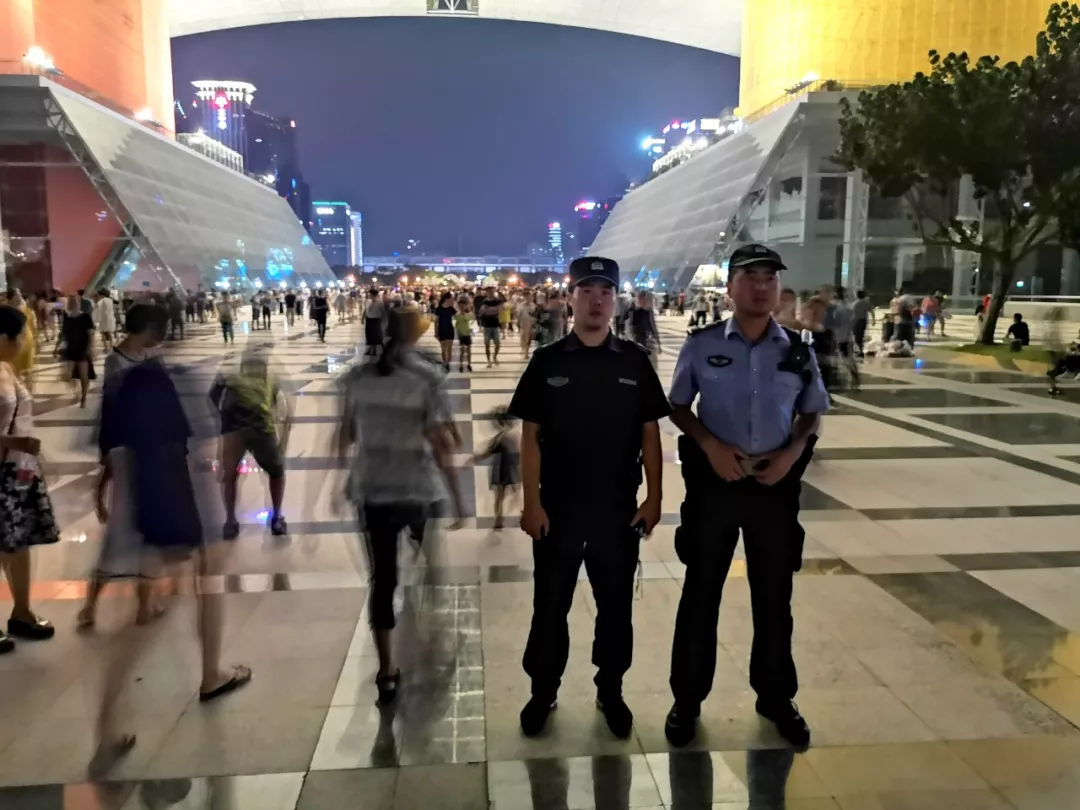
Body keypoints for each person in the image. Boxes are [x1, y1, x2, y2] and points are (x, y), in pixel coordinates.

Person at [664, 243, 829, 750]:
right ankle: (687, 699)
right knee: (701, 593)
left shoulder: (796, 350)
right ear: (731, 287)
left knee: (774, 596)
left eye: (769, 278)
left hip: (773, 489)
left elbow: (811, 411)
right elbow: (678, 406)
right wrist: (710, 446)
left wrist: (791, 453)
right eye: (750, 276)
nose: (761, 286)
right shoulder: (702, 345)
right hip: (715, 486)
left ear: (778, 288)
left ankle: (776, 697)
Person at [508, 256, 670, 740]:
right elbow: (530, 436)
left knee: (616, 606)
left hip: (617, 509)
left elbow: (650, 433)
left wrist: (654, 498)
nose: (597, 300)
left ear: (615, 300)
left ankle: (611, 689)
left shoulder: (634, 361)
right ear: (571, 298)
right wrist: (531, 503)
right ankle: (543, 690)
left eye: (605, 291)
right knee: (549, 604)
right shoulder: (549, 360)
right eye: (587, 291)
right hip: (558, 508)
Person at [92, 342, 252, 776]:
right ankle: (209, 674)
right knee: (190, 595)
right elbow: (207, 452)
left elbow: (113, 455)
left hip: (148, 514)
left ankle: (110, 721)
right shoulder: (185, 386)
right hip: (185, 514)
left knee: (158, 612)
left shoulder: (129, 387)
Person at [336, 305, 465, 705]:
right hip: (415, 490)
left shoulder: (357, 378)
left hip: (372, 491)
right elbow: (442, 445)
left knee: (382, 579)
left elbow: (346, 433)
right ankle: (432, 626)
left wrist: (336, 481)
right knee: (429, 556)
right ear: (416, 333)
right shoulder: (427, 377)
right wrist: (459, 497)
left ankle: (386, 669)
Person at [79, 304, 170, 631]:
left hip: (151, 453)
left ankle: (143, 603)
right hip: (129, 454)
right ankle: (92, 605)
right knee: (123, 532)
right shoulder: (117, 362)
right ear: (146, 327)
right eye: (158, 329)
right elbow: (113, 413)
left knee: (147, 531)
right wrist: (106, 465)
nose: (161, 336)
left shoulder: (150, 357)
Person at [0, 306, 57, 655]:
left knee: (19, 543)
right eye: (20, 335)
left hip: (17, 470)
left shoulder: (6, 368)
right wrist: (15, 442)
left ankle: (22, 611)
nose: (23, 342)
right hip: (4, 469)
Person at [208, 344, 292, 539]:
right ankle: (277, 518)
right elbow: (280, 404)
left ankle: (230, 521)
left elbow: (213, 396)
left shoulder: (229, 370)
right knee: (276, 472)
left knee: (230, 474)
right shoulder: (270, 373)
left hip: (234, 429)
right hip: (262, 428)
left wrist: (225, 417)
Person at [472, 407, 520, 531]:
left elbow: (489, 451)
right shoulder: (515, 436)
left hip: (502, 469)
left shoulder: (501, 437)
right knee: (515, 493)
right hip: (512, 468)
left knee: (500, 496)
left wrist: (475, 458)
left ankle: (499, 520)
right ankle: (521, 514)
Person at [57, 294, 95, 408]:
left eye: (75, 301)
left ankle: (84, 396)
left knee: (84, 375)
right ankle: (77, 392)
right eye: (71, 302)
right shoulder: (66, 317)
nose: (73, 304)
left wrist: (91, 348)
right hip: (70, 348)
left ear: (79, 303)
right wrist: (56, 347)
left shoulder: (85, 317)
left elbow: (91, 333)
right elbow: (63, 333)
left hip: (82, 348)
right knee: (67, 375)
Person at [628, 290, 662, 367]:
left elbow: (653, 327)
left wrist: (658, 342)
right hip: (640, 341)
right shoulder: (634, 312)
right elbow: (631, 327)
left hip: (647, 340)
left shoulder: (648, 312)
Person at [478, 286, 502, 367]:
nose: (491, 293)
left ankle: (495, 356)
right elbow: (481, 313)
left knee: (498, 344)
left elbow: (501, 310)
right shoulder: (484, 302)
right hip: (487, 325)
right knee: (487, 344)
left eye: (492, 291)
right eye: (489, 292)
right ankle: (489, 361)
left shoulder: (498, 300)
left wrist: (489, 310)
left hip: (496, 324)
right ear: (487, 292)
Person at [433, 292, 456, 371]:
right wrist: (436, 333)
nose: (453, 300)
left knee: (449, 348)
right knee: (443, 349)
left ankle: (448, 363)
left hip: (450, 329)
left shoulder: (451, 309)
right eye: (451, 298)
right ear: (446, 299)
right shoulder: (439, 309)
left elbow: (457, 317)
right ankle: (445, 363)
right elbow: (436, 321)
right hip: (441, 329)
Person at [454, 297, 474, 372]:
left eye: (463, 306)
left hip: (467, 334)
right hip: (461, 334)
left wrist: (470, 330)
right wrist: (458, 332)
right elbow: (454, 325)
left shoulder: (469, 315)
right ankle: (461, 365)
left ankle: (469, 364)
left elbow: (471, 323)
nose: (462, 307)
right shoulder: (456, 316)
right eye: (460, 306)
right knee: (462, 350)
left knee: (469, 350)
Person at [851, 290, 874, 355]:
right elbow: (871, 311)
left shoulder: (854, 303)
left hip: (855, 321)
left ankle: (859, 350)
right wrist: (873, 320)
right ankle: (860, 350)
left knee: (856, 336)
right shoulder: (865, 303)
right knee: (860, 336)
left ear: (857, 296)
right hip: (862, 321)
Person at [364, 289, 385, 355]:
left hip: (376, 320)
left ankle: (373, 350)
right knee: (369, 335)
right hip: (369, 319)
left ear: (373, 294)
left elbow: (382, 311)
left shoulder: (380, 302)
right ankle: (371, 349)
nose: (369, 295)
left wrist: (383, 319)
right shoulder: (368, 301)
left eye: (370, 294)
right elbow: (366, 310)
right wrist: (363, 317)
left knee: (375, 335)